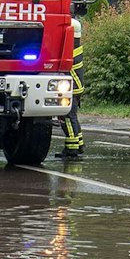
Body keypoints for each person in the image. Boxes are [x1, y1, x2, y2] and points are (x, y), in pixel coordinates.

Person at [59, 15, 85, 156]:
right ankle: (79, 144)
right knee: (73, 117)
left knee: (67, 117)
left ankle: (71, 147)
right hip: (76, 89)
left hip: (72, 89)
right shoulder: (76, 52)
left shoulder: (71, 55)